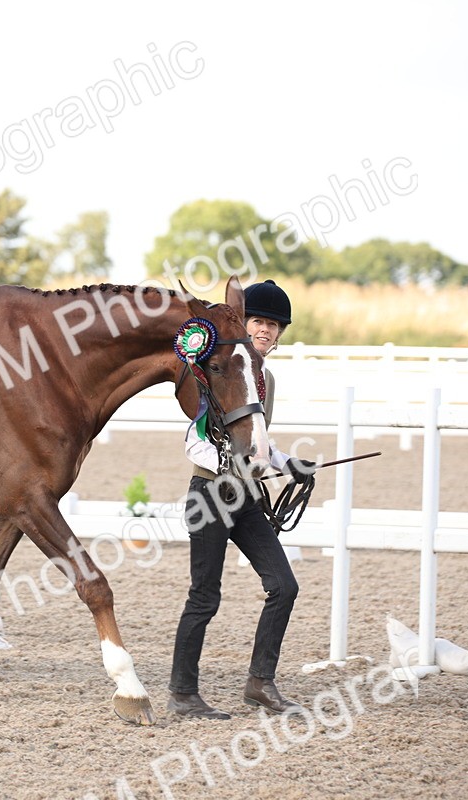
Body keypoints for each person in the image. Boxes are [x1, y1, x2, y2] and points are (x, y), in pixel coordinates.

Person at [167, 278, 314, 719]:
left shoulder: (265, 377)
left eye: (274, 325)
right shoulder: (213, 367)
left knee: (284, 586)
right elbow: (195, 440)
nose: (266, 331)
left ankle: (259, 682)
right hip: (211, 493)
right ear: (242, 324)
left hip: (247, 497)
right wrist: (232, 462)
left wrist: (289, 464)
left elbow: (259, 445)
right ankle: (182, 691)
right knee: (204, 597)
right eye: (259, 322)